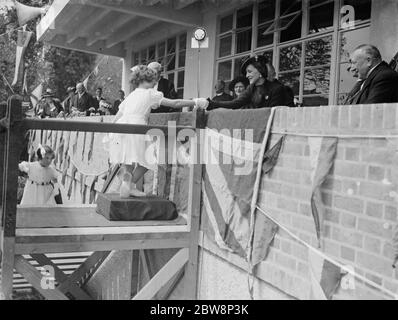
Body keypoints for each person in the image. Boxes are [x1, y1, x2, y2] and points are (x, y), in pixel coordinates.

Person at [105, 65, 208, 198]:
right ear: (147, 80)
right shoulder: (151, 93)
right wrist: (194, 102)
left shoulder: (131, 95)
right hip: (138, 127)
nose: (156, 82)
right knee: (149, 160)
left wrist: (111, 130)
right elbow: (174, 103)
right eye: (154, 80)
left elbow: (119, 114)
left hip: (123, 128)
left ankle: (127, 180)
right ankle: (130, 183)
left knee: (129, 159)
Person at [207, 55, 293, 111]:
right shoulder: (251, 88)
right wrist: (210, 103)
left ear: (260, 71)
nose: (247, 75)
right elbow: (235, 103)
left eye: (249, 72)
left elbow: (271, 114)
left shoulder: (278, 89)